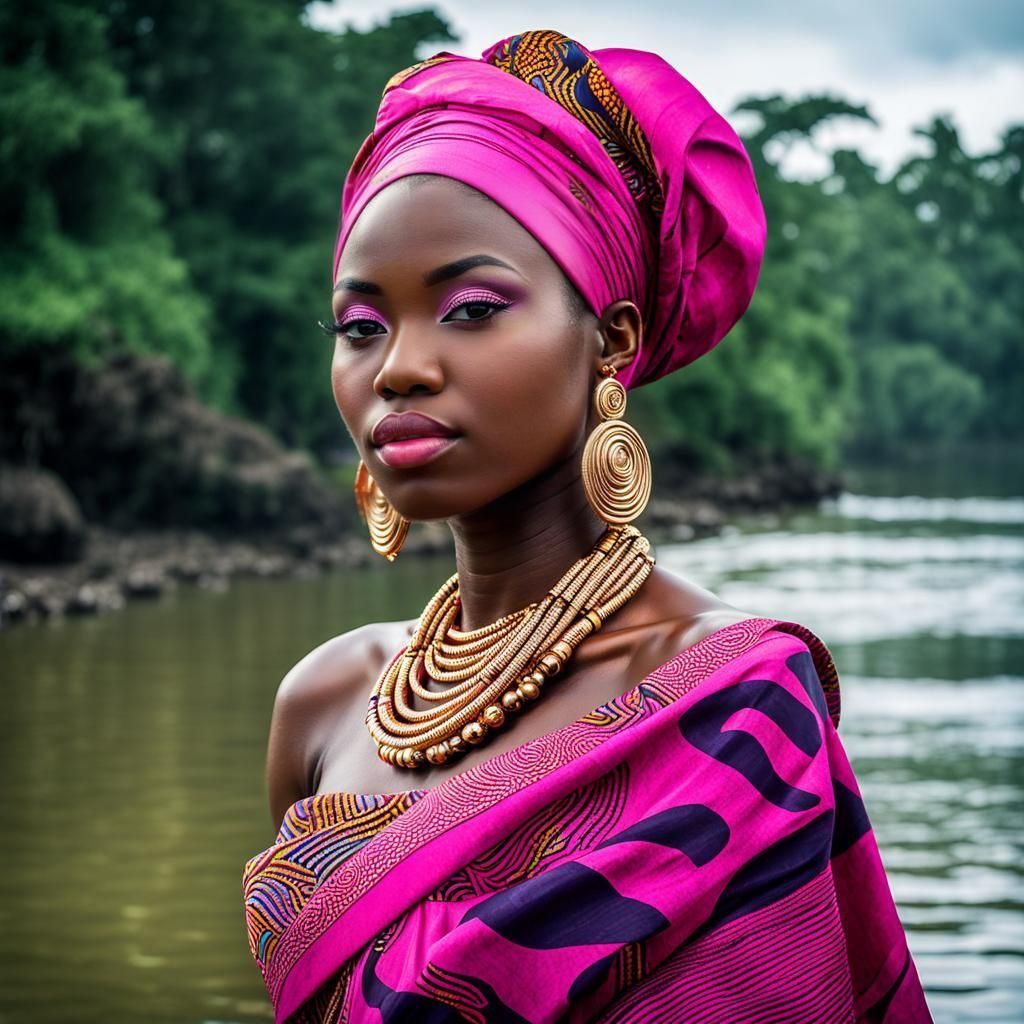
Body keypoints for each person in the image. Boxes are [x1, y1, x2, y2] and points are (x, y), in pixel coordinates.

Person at [242, 29, 932, 1023]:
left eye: (471, 308)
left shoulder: (736, 710)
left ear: (612, 339)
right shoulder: (323, 701)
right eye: (360, 327)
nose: (397, 366)